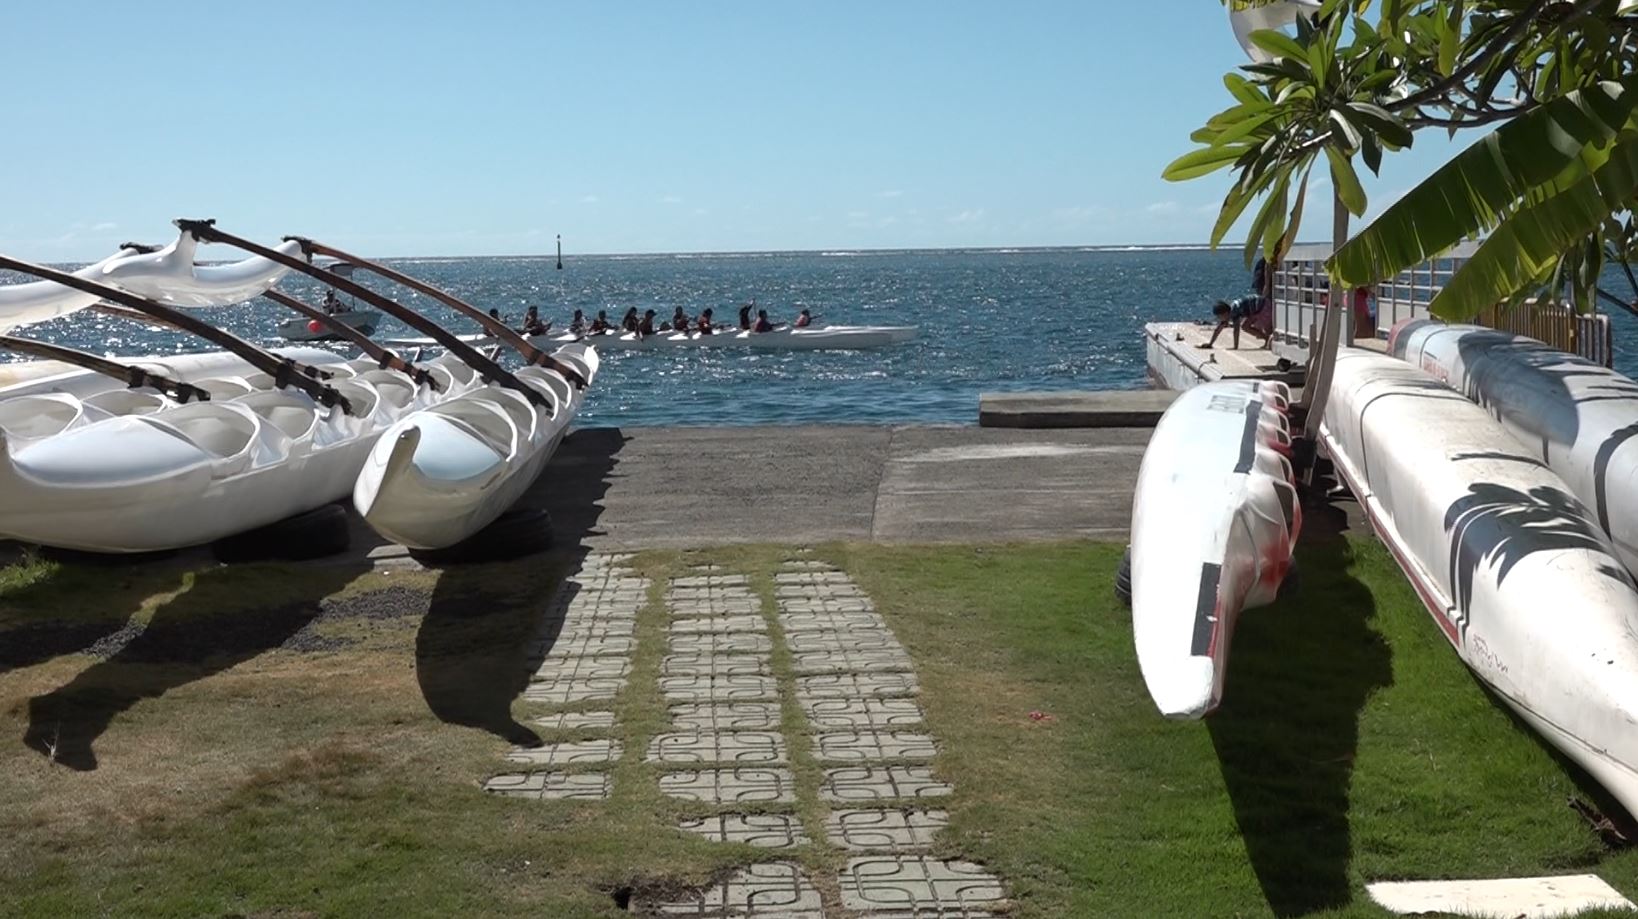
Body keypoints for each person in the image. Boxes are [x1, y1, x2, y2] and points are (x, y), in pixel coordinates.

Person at [1200, 294, 1272, 350]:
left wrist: (1235, 347)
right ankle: (1266, 339)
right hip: (1255, 310)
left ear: (1225, 314)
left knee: (1267, 328)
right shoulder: (1229, 312)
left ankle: (1268, 340)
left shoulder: (1234, 311)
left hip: (1263, 306)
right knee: (1245, 326)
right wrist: (1210, 344)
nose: (1219, 319)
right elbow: (1218, 330)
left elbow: (1236, 330)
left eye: (1219, 317)